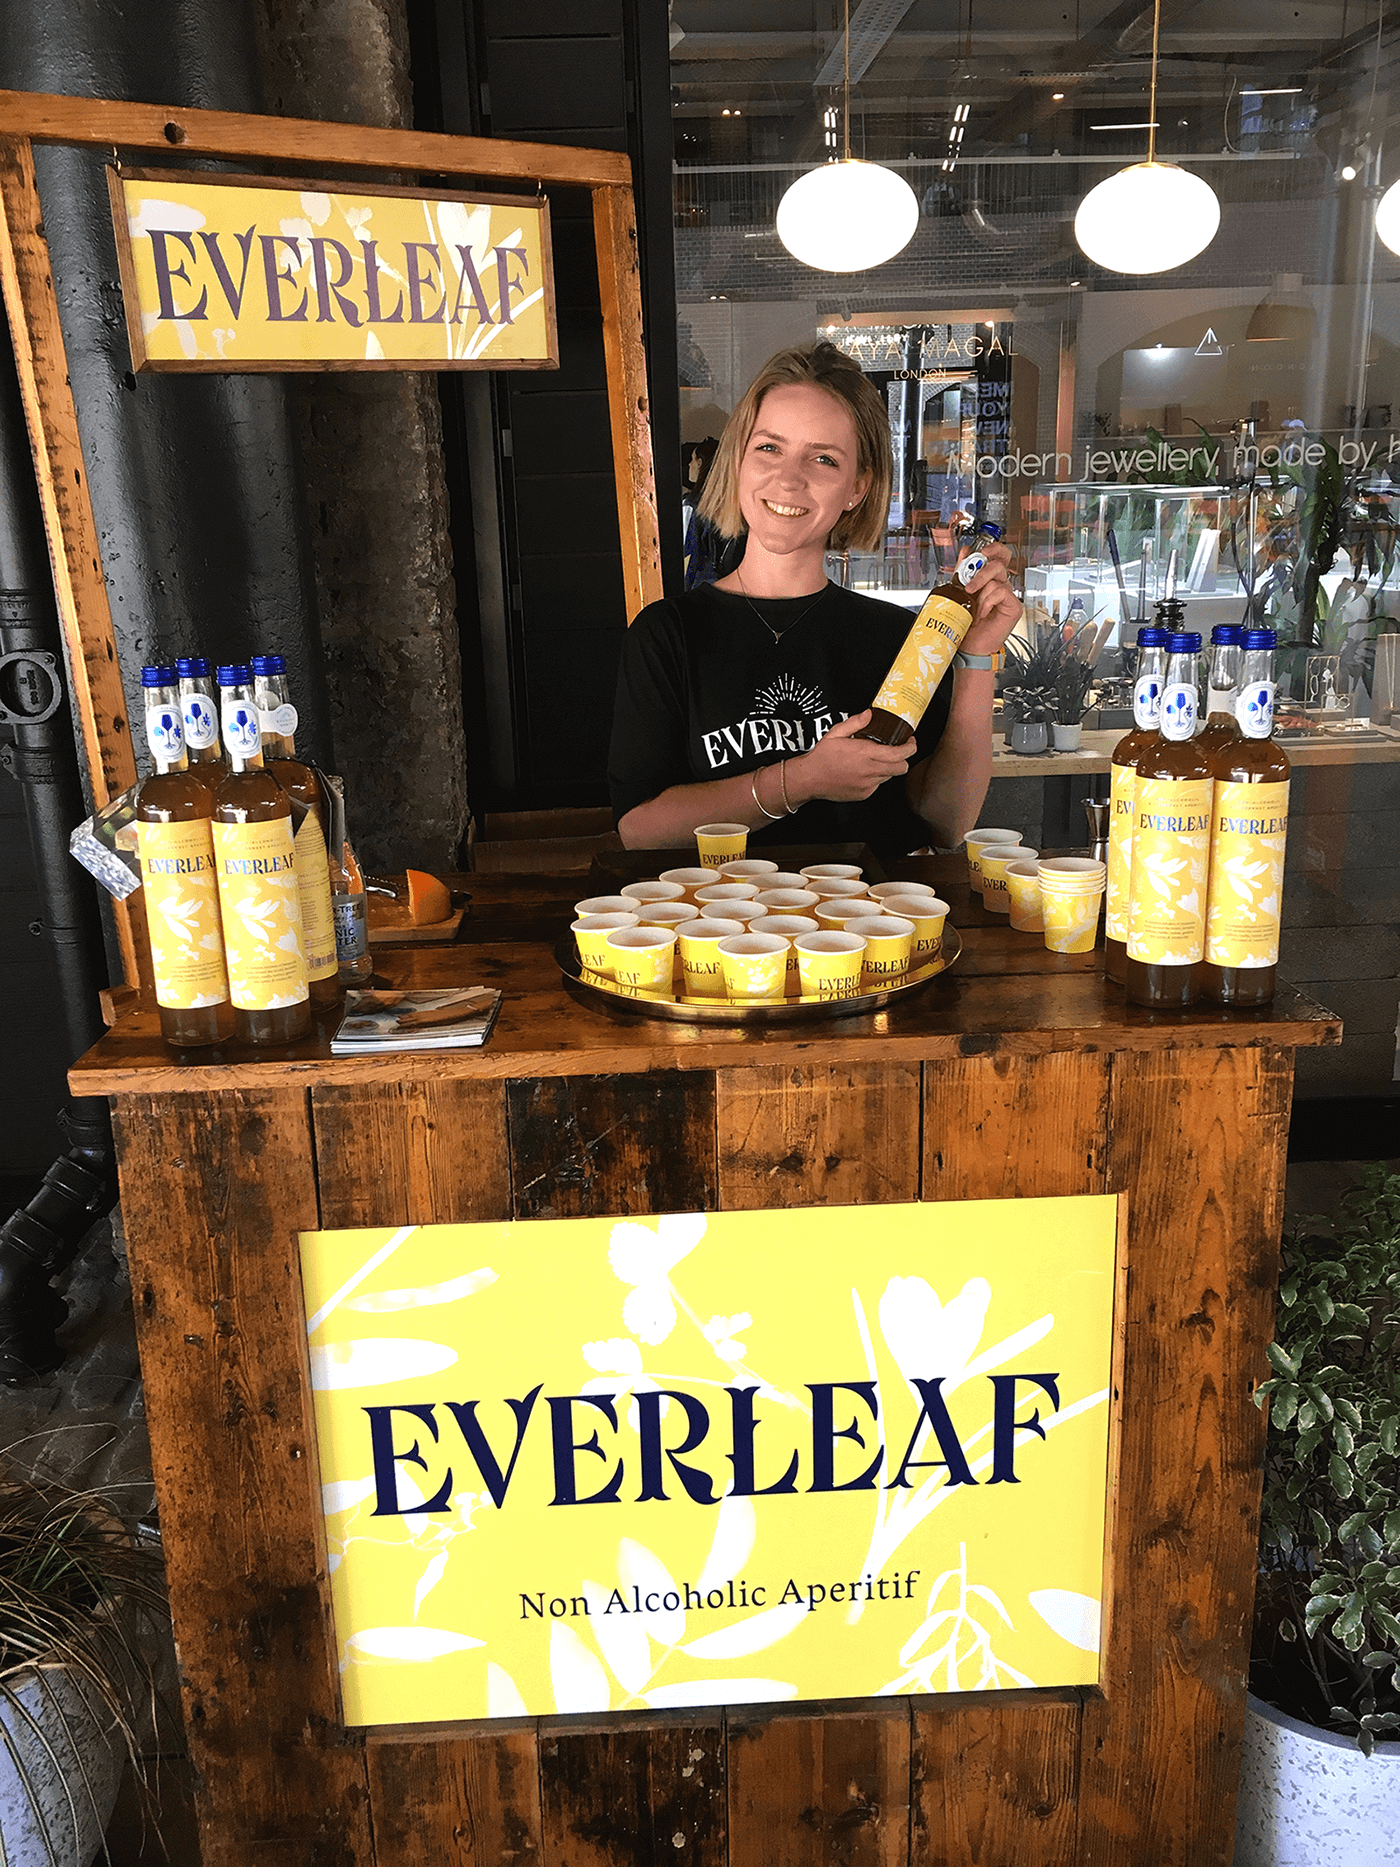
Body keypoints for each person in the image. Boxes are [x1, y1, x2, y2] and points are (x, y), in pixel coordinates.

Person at [608, 341, 1023, 853]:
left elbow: (945, 821)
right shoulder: (668, 634)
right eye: (769, 448)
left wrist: (978, 659)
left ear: (857, 488)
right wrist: (802, 779)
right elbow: (640, 830)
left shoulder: (901, 642)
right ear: (739, 459)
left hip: (866, 928)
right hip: (716, 929)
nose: (789, 478)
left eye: (823, 458)